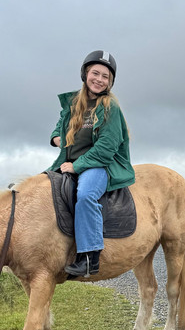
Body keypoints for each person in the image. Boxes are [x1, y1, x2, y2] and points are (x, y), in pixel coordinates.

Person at [48, 50, 135, 278]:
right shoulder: (73, 103)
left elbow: (106, 148)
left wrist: (76, 166)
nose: (99, 79)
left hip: (98, 164)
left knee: (86, 196)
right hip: (67, 161)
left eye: (105, 76)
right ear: (85, 74)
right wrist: (56, 138)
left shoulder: (110, 108)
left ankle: (89, 257)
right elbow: (60, 126)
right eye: (95, 73)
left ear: (110, 82)